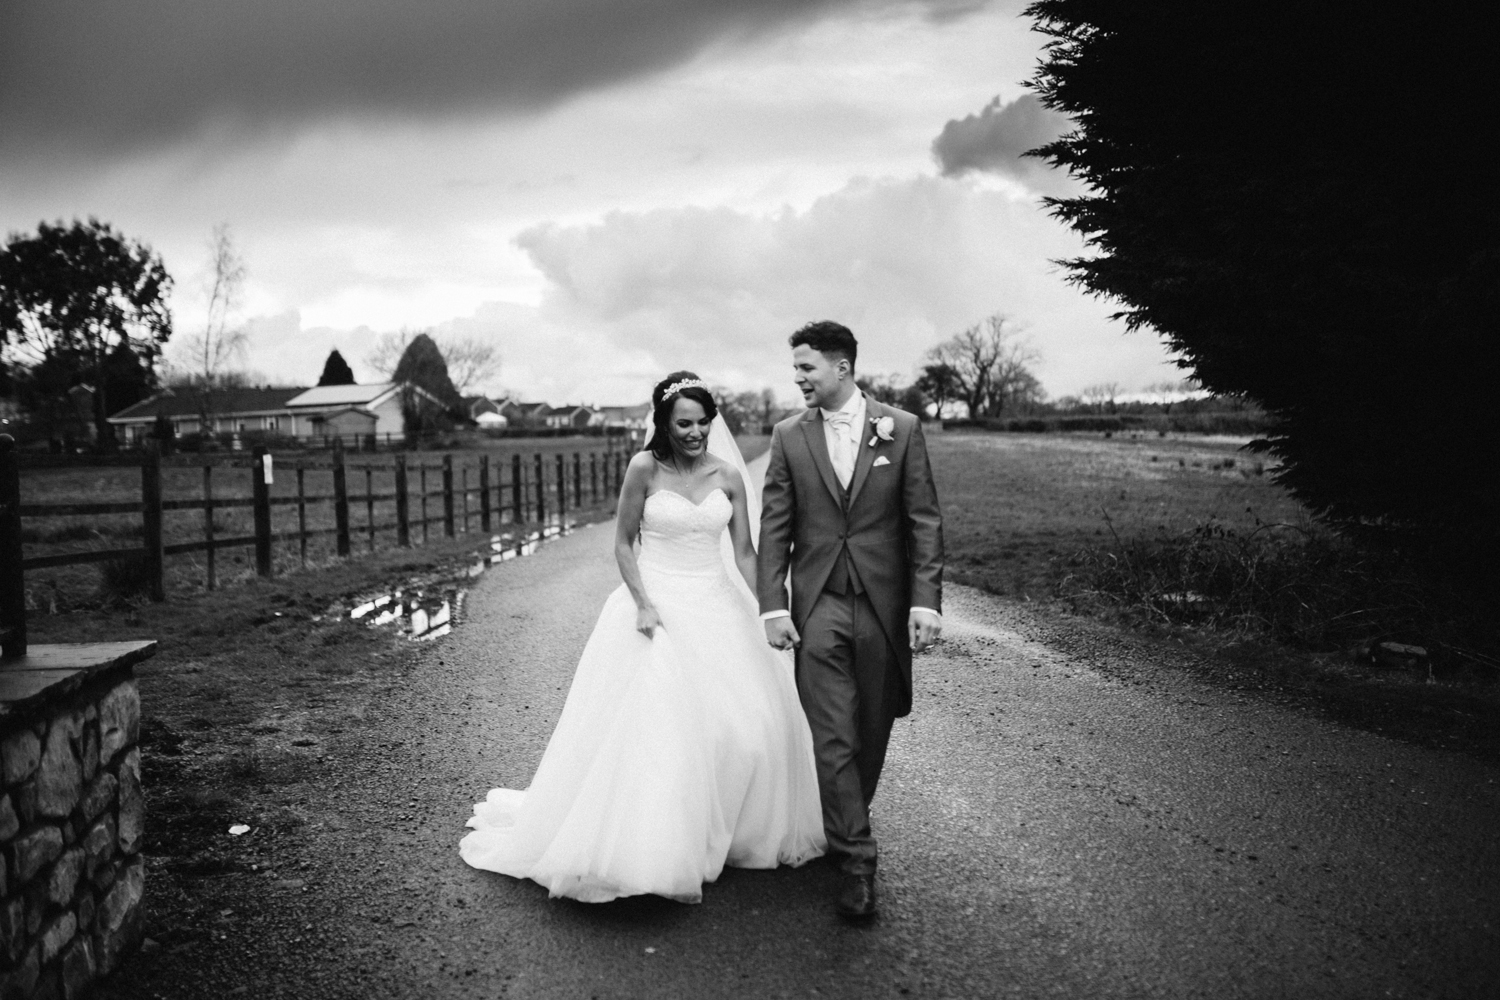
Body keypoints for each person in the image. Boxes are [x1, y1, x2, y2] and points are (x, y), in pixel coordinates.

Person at [460, 372, 824, 903]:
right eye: (684, 424)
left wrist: (771, 609)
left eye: (704, 423)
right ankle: (653, 844)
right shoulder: (644, 468)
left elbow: (746, 553)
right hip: (657, 607)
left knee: (744, 727)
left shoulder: (727, 475)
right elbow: (624, 544)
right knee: (661, 730)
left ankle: (726, 830)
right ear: (664, 423)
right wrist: (644, 604)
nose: (696, 432)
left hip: (718, 604)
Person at [758, 321, 944, 919]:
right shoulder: (788, 437)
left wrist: (925, 601)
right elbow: (776, 530)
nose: (798, 377)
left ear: (841, 367)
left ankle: (846, 820)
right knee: (832, 733)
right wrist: (773, 604)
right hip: (819, 606)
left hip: (884, 605)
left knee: (872, 728)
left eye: (807, 367)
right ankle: (858, 860)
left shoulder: (903, 428)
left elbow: (924, 521)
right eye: (795, 368)